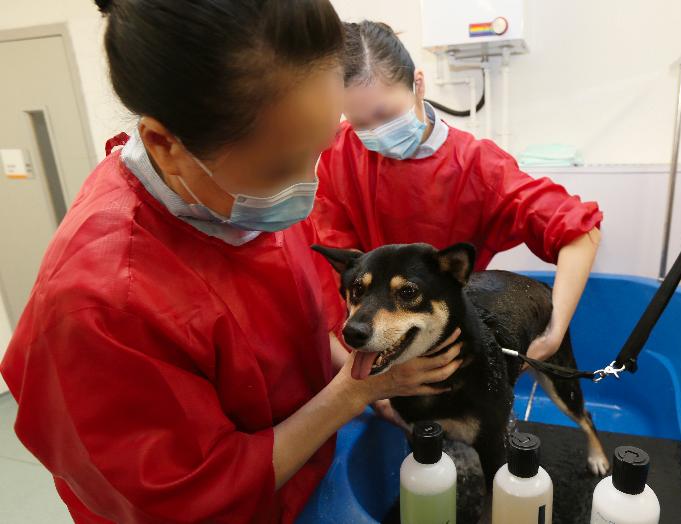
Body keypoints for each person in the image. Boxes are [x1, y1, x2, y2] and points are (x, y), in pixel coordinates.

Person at [0, 3, 462, 522]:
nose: (307, 184)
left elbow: (304, 328)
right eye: (280, 166)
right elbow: (191, 497)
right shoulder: (100, 304)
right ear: (163, 144)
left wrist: (367, 377)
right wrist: (353, 393)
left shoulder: (246, 196)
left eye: (318, 149)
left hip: (307, 468)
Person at [313, 21, 603, 376]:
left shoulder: (479, 167)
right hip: (370, 335)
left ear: (418, 84)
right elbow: (333, 260)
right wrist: (364, 380)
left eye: (385, 115)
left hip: (448, 338)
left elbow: (579, 231)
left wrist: (554, 331)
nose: (374, 134)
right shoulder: (341, 153)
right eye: (359, 123)